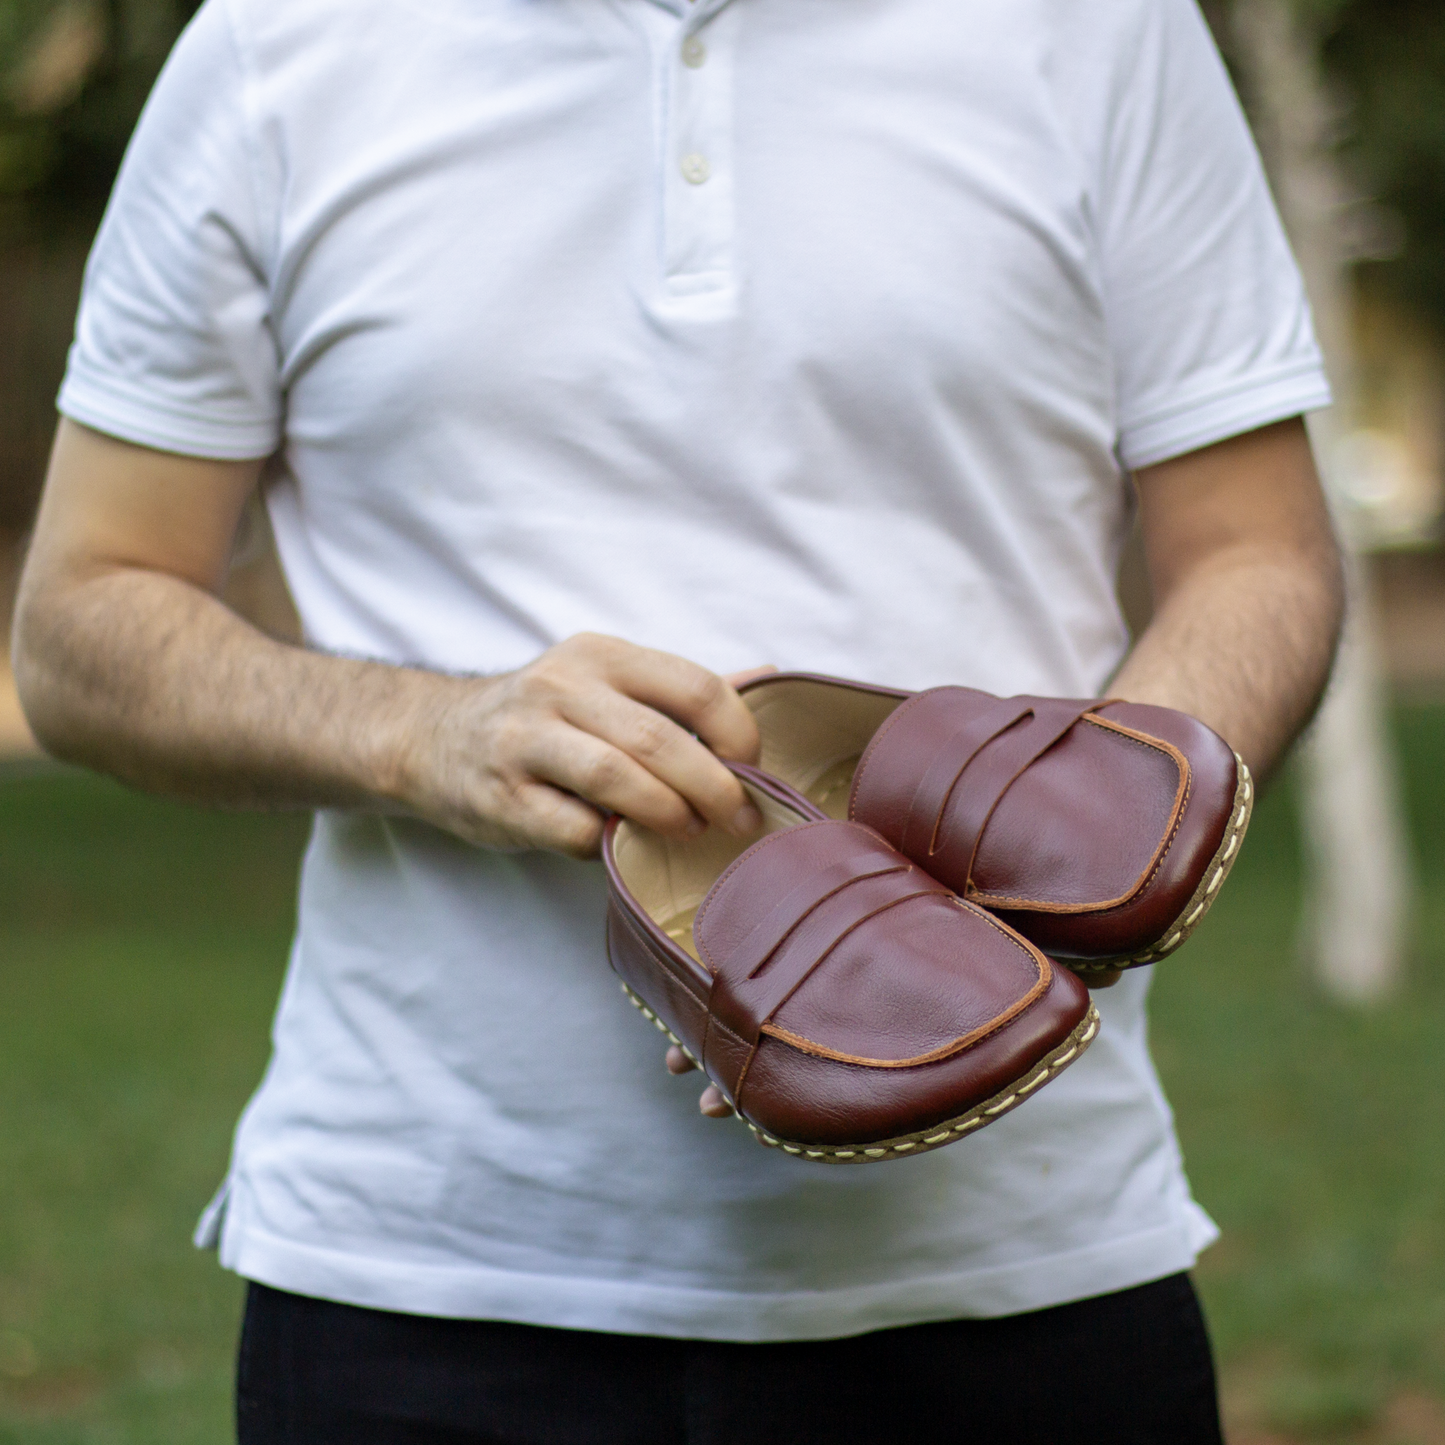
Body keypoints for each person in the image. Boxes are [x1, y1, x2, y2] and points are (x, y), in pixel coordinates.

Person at [12, 0, 1344, 1437]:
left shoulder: (1101, 30)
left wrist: (1097, 852)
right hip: (423, 1287)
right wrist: (425, 733)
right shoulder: (275, 45)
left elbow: (1257, 550)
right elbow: (83, 621)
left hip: (1023, 1271)